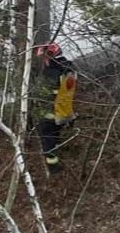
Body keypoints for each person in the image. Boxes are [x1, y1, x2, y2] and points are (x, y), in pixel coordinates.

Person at [34, 42, 77, 174]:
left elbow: (62, 95)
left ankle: (54, 168)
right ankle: (56, 157)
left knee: (48, 140)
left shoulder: (53, 72)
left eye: (44, 58)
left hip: (51, 114)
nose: (43, 61)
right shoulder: (67, 69)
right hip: (60, 113)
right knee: (55, 137)